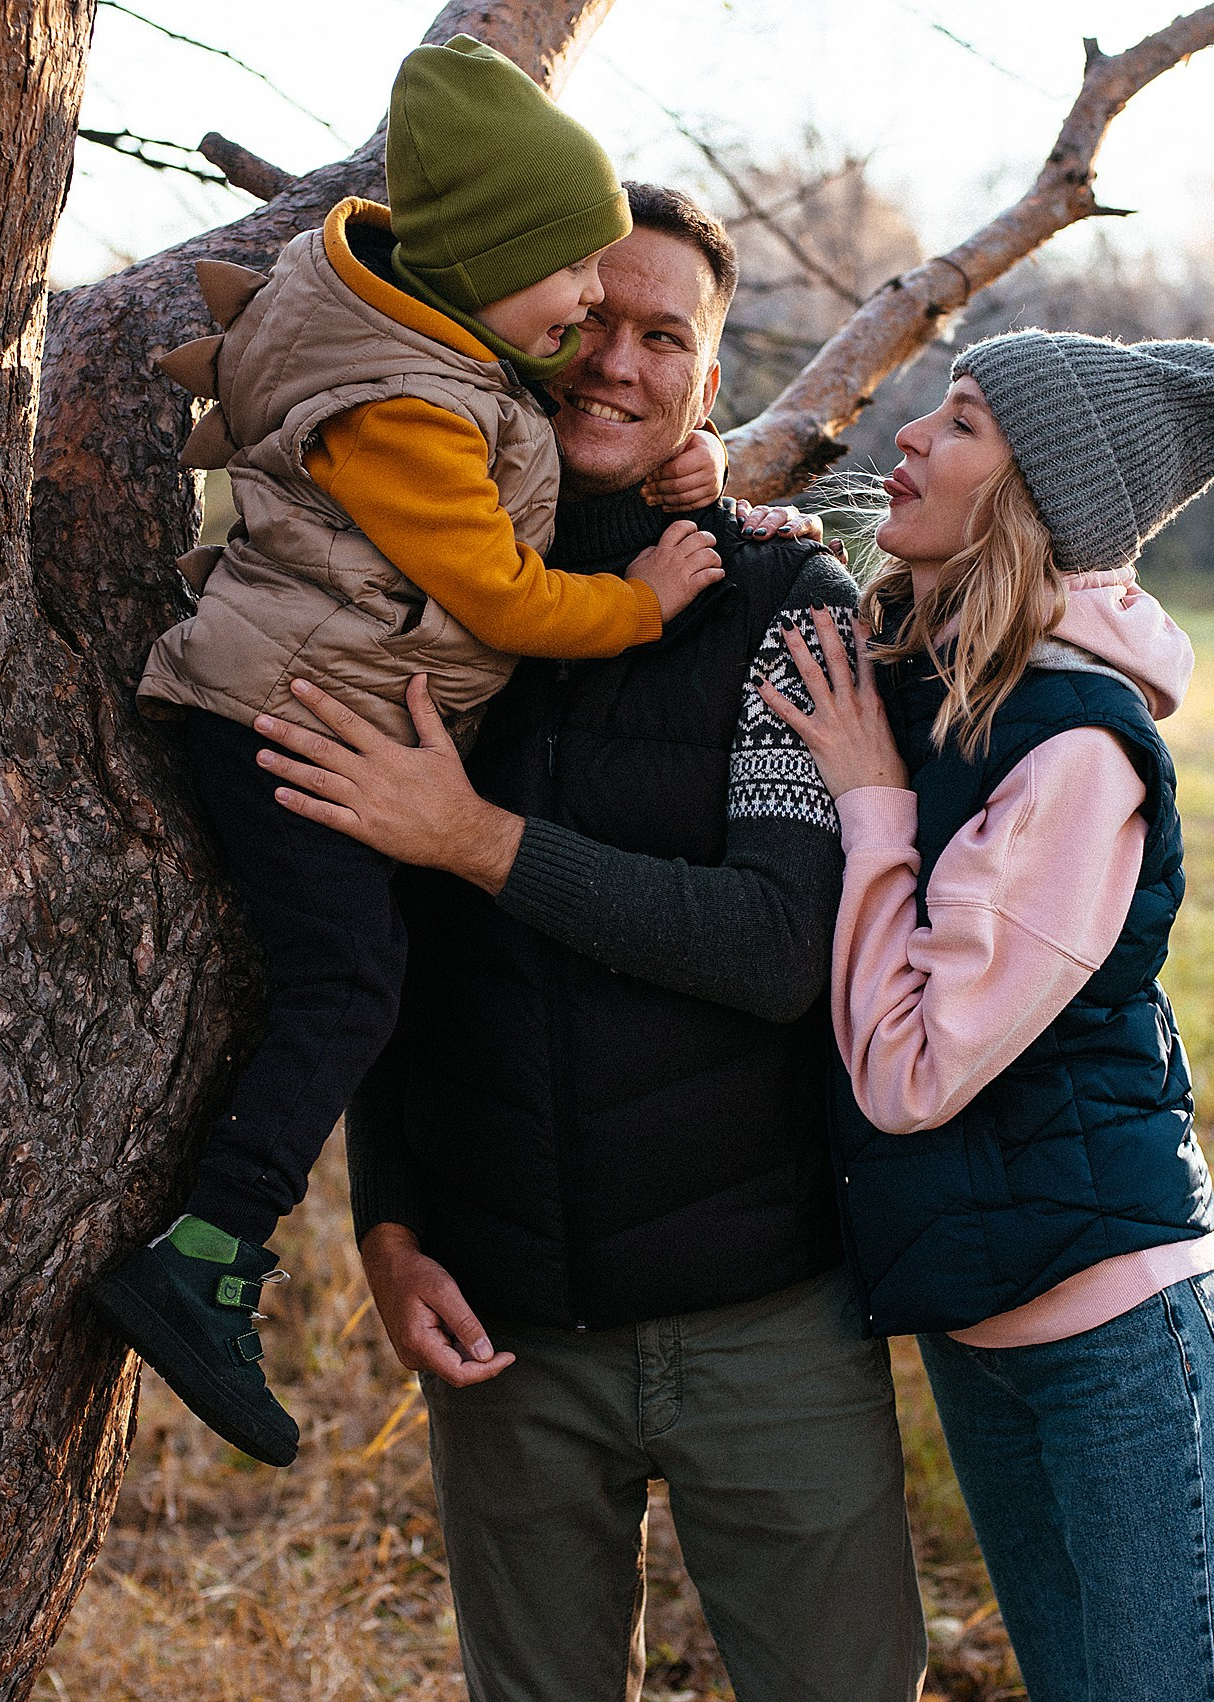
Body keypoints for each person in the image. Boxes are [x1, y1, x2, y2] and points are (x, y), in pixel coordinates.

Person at [250, 184, 929, 1702]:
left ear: (708, 382)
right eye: (591, 320)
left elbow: (774, 940)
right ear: (527, 332)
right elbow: (380, 944)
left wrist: (477, 839)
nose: (615, 360)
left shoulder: (782, 605)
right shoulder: (411, 593)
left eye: (661, 336)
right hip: (507, 1331)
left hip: (768, 1319)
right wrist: (391, 1217)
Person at [99, 37, 727, 1468]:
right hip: (296, 716)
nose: (591, 317)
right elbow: (505, 589)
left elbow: (569, 449)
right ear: (490, 266)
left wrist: (706, 469)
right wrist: (643, 603)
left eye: (650, 325)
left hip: (308, 697)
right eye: (576, 282)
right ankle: (205, 1246)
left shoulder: (437, 349)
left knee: (367, 971)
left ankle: (214, 1238)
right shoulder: (404, 404)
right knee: (354, 977)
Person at [758, 330, 1214, 1702]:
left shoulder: (1077, 748)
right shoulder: (929, 672)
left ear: (1033, 492)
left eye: (963, 421)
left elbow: (915, 1070)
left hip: (1117, 1340)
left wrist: (868, 799)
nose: (909, 436)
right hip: (982, 1318)